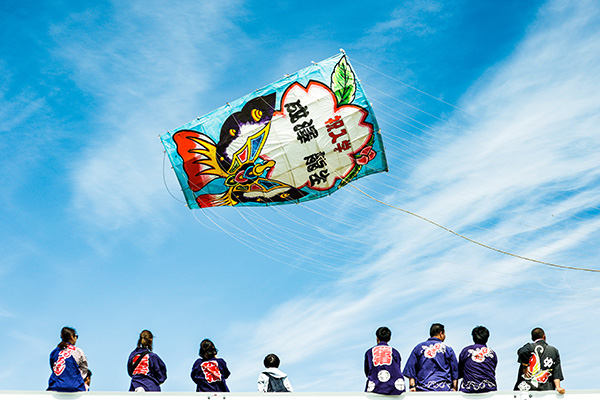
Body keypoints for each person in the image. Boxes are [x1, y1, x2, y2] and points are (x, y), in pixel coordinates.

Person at [403, 323, 458, 391]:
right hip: (443, 390)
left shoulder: (419, 347)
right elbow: (455, 371)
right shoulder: (448, 349)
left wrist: (412, 386)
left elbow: (410, 368)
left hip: (423, 390)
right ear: (441, 333)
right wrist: (455, 388)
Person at [514, 327, 565, 394]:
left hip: (526, 389)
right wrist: (558, 387)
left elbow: (522, 351)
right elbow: (556, 372)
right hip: (546, 390)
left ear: (532, 338)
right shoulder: (554, 351)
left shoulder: (529, 347)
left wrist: (525, 366)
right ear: (544, 336)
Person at [364, 326, 405, 395]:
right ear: (389, 339)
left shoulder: (369, 352)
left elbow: (367, 372)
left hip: (375, 387)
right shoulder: (395, 352)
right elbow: (398, 368)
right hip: (395, 388)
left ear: (377, 338)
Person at [47, 326, 89, 392]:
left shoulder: (54, 352)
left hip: (56, 386)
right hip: (76, 386)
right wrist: (76, 379)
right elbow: (84, 368)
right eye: (76, 336)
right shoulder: (77, 351)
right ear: (72, 337)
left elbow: (54, 368)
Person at [458, 326, 497, 393]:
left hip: (469, 389)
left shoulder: (466, 351)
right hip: (489, 389)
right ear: (487, 338)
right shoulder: (492, 353)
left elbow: (460, 372)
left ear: (473, 337)